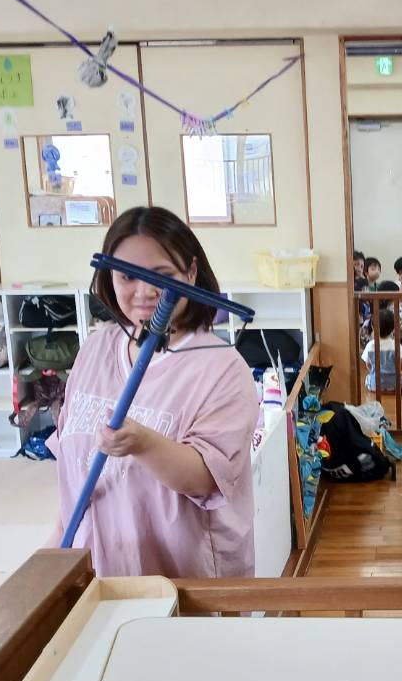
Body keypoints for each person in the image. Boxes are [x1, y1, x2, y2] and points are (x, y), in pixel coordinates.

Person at [50, 206, 258, 578]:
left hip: (185, 582)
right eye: (127, 276)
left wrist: (143, 443)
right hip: (97, 572)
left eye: (162, 276)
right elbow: (74, 470)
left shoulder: (223, 369)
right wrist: (54, 552)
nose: (145, 292)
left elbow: (206, 478)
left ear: (190, 273)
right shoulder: (95, 349)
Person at [362, 307, 402, 394]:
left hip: (375, 386)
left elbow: (368, 364)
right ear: (393, 328)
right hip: (395, 386)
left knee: (367, 378)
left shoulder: (370, 345)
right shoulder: (395, 345)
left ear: (373, 327)